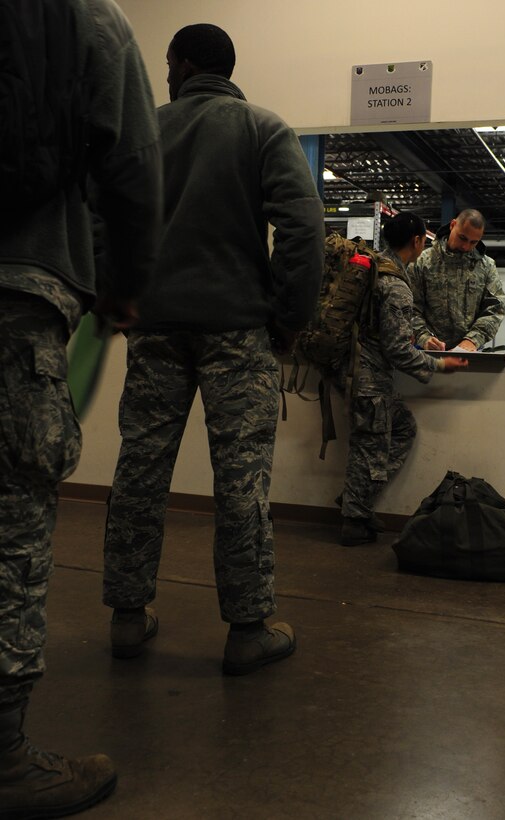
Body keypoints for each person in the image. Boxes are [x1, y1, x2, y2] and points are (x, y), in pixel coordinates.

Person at [102, 24, 324, 675]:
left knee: (139, 468)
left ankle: (125, 617)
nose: (165, 73)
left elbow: (101, 213)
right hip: (236, 332)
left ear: (187, 63)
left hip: (157, 329)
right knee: (241, 478)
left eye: (169, 62)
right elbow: (304, 225)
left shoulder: (147, 132)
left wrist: (116, 293)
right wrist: (289, 316)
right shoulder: (262, 128)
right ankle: (248, 627)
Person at [0, 1, 162, 817]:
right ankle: (3, 763)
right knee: (10, 530)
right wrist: (124, 287)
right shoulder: (84, 17)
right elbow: (133, 164)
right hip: (18, 289)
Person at [339, 212, 468, 547]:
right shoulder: (394, 283)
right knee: (368, 448)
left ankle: (356, 500)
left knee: (399, 430)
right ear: (416, 241)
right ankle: (354, 518)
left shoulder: (376, 268)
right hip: (369, 380)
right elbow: (397, 350)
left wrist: (422, 339)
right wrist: (440, 366)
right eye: (424, 238)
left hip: (356, 372)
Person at [409, 208, 505, 352]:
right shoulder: (422, 262)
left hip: (470, 352)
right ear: (453, 225)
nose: (466, 246)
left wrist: (472, 340)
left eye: (474, 242)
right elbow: (410, 307)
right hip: (427, 352)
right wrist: (424, 337)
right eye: (462, 238)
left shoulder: (486, 266)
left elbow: (494, 309)